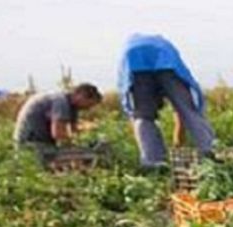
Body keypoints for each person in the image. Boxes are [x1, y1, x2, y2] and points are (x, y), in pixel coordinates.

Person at [117, 34, 216, 169]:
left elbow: (134, 114)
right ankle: (209, 150)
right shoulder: (160, 44)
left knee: (142, 116)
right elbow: (183, 110)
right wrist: (178, 140)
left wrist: (177, 141)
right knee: (188, 110)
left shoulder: (132, 47)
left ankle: (153, 162)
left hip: (135, 63)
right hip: (164, 60)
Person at [13, 83, 102, 150]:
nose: (88, 108)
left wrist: (88, 131)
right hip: (29, 144)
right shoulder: (61, 102)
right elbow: (58, 134)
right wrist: (74, 148)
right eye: (89, 104)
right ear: (80, 96)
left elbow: (73, 130)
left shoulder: (73, 107)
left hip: (42, 142)